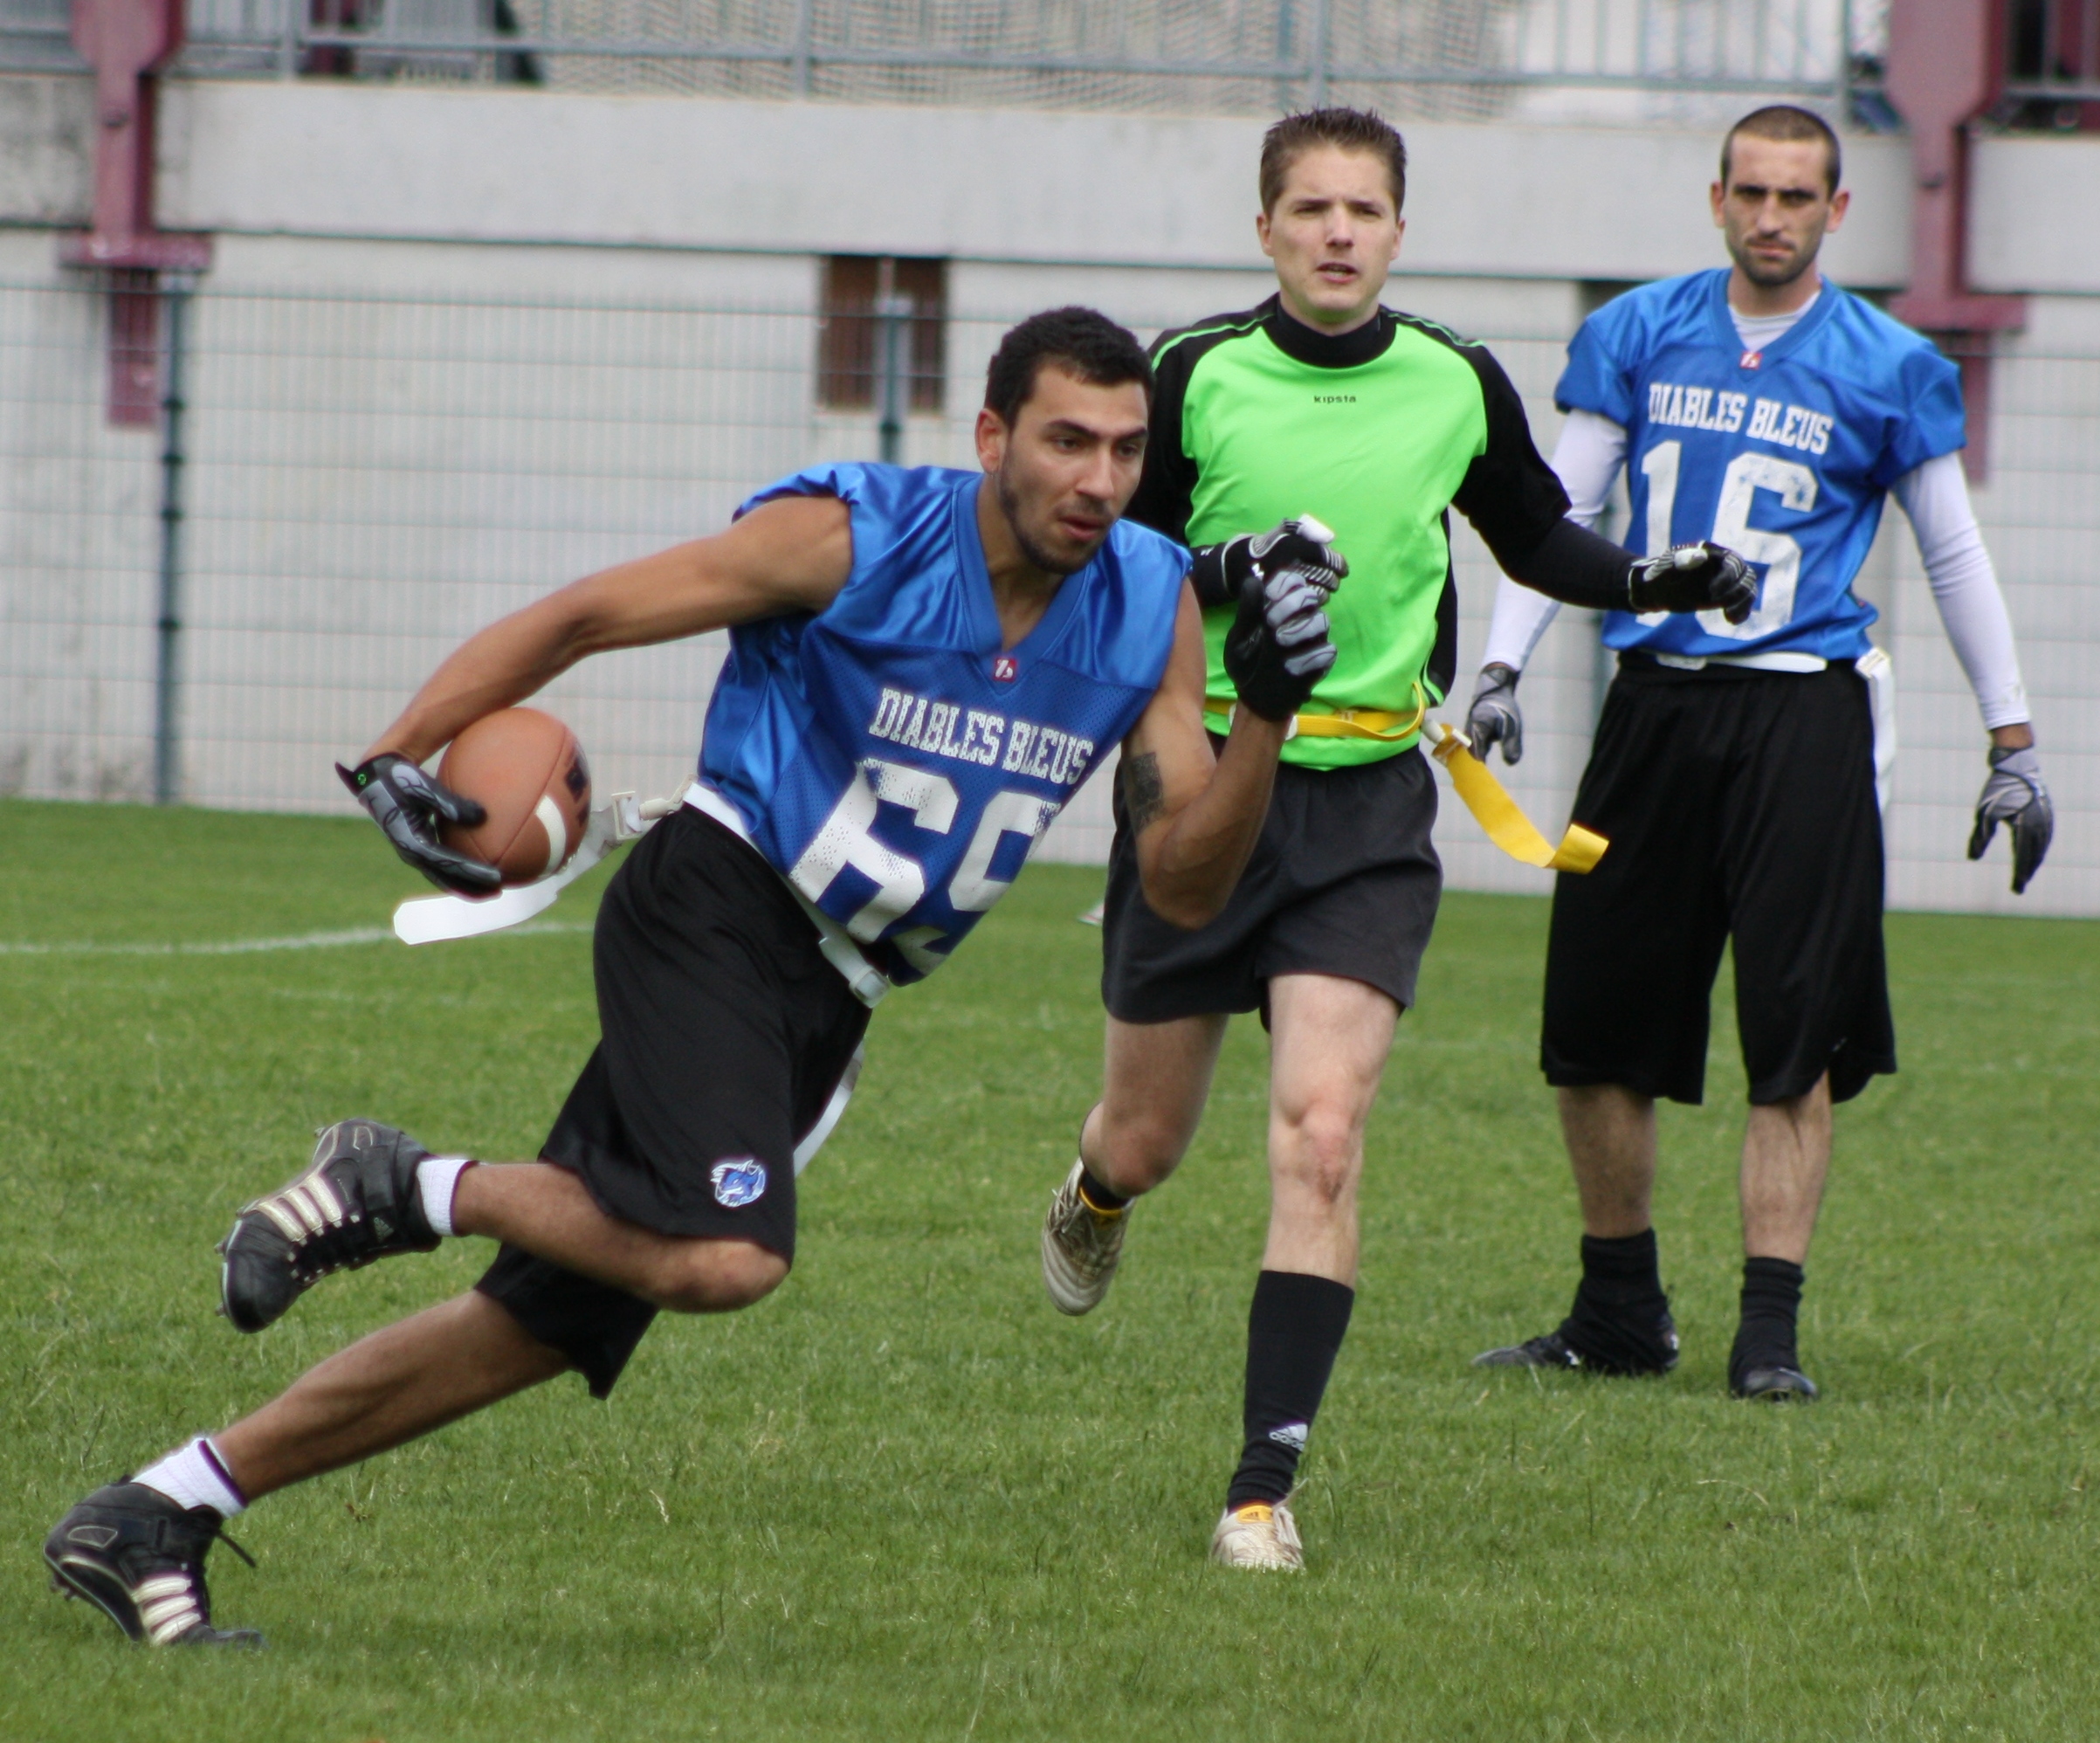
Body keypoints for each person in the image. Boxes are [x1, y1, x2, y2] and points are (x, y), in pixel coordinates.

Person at [42, 307, 1346, 1647]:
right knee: (724, 1258)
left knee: (536, 1326)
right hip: (720, 903)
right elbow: (590, 612)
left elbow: (1184, 881)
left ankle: (157, 1511)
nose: (1099, 480)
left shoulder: (1147, 601)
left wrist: (1264, 716)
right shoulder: (856, 537)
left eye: (1127, 451)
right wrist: (401, 749)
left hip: (836, 993)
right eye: (1068, 441)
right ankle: (404, 1182)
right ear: (992, 435)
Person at [1035, 107, 1757, 1574]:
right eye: (1309, 209)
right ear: (1265, 230)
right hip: (1200, 784)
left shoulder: (1450, 377)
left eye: (1364, 209)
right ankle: (1096, 1191)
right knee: (1148, 1135)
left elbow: (1534, 534)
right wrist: (1234, 570)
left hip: (1367, 802)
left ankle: (1257, 1488)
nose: (1338, 233)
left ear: (1399, 232)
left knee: (1320, 1133)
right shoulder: (1191, 374)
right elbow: (1117, 565)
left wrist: (1652, 576)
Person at [1466, 106, 2052, 1402]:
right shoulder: (1634, 330)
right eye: (1752, 192)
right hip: (1654, 699)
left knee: (1795, 1033)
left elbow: (1950, 552)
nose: (1772, 216)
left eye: (1798, 196)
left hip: (1801, 708)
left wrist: (2012, 738)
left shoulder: (1886, 362)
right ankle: (1617, 1310)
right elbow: (1552, 511)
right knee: (1593, 1022)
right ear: (1715, 197)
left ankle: (1766, 1338)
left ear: (1836, 211)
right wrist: (1498, 663)